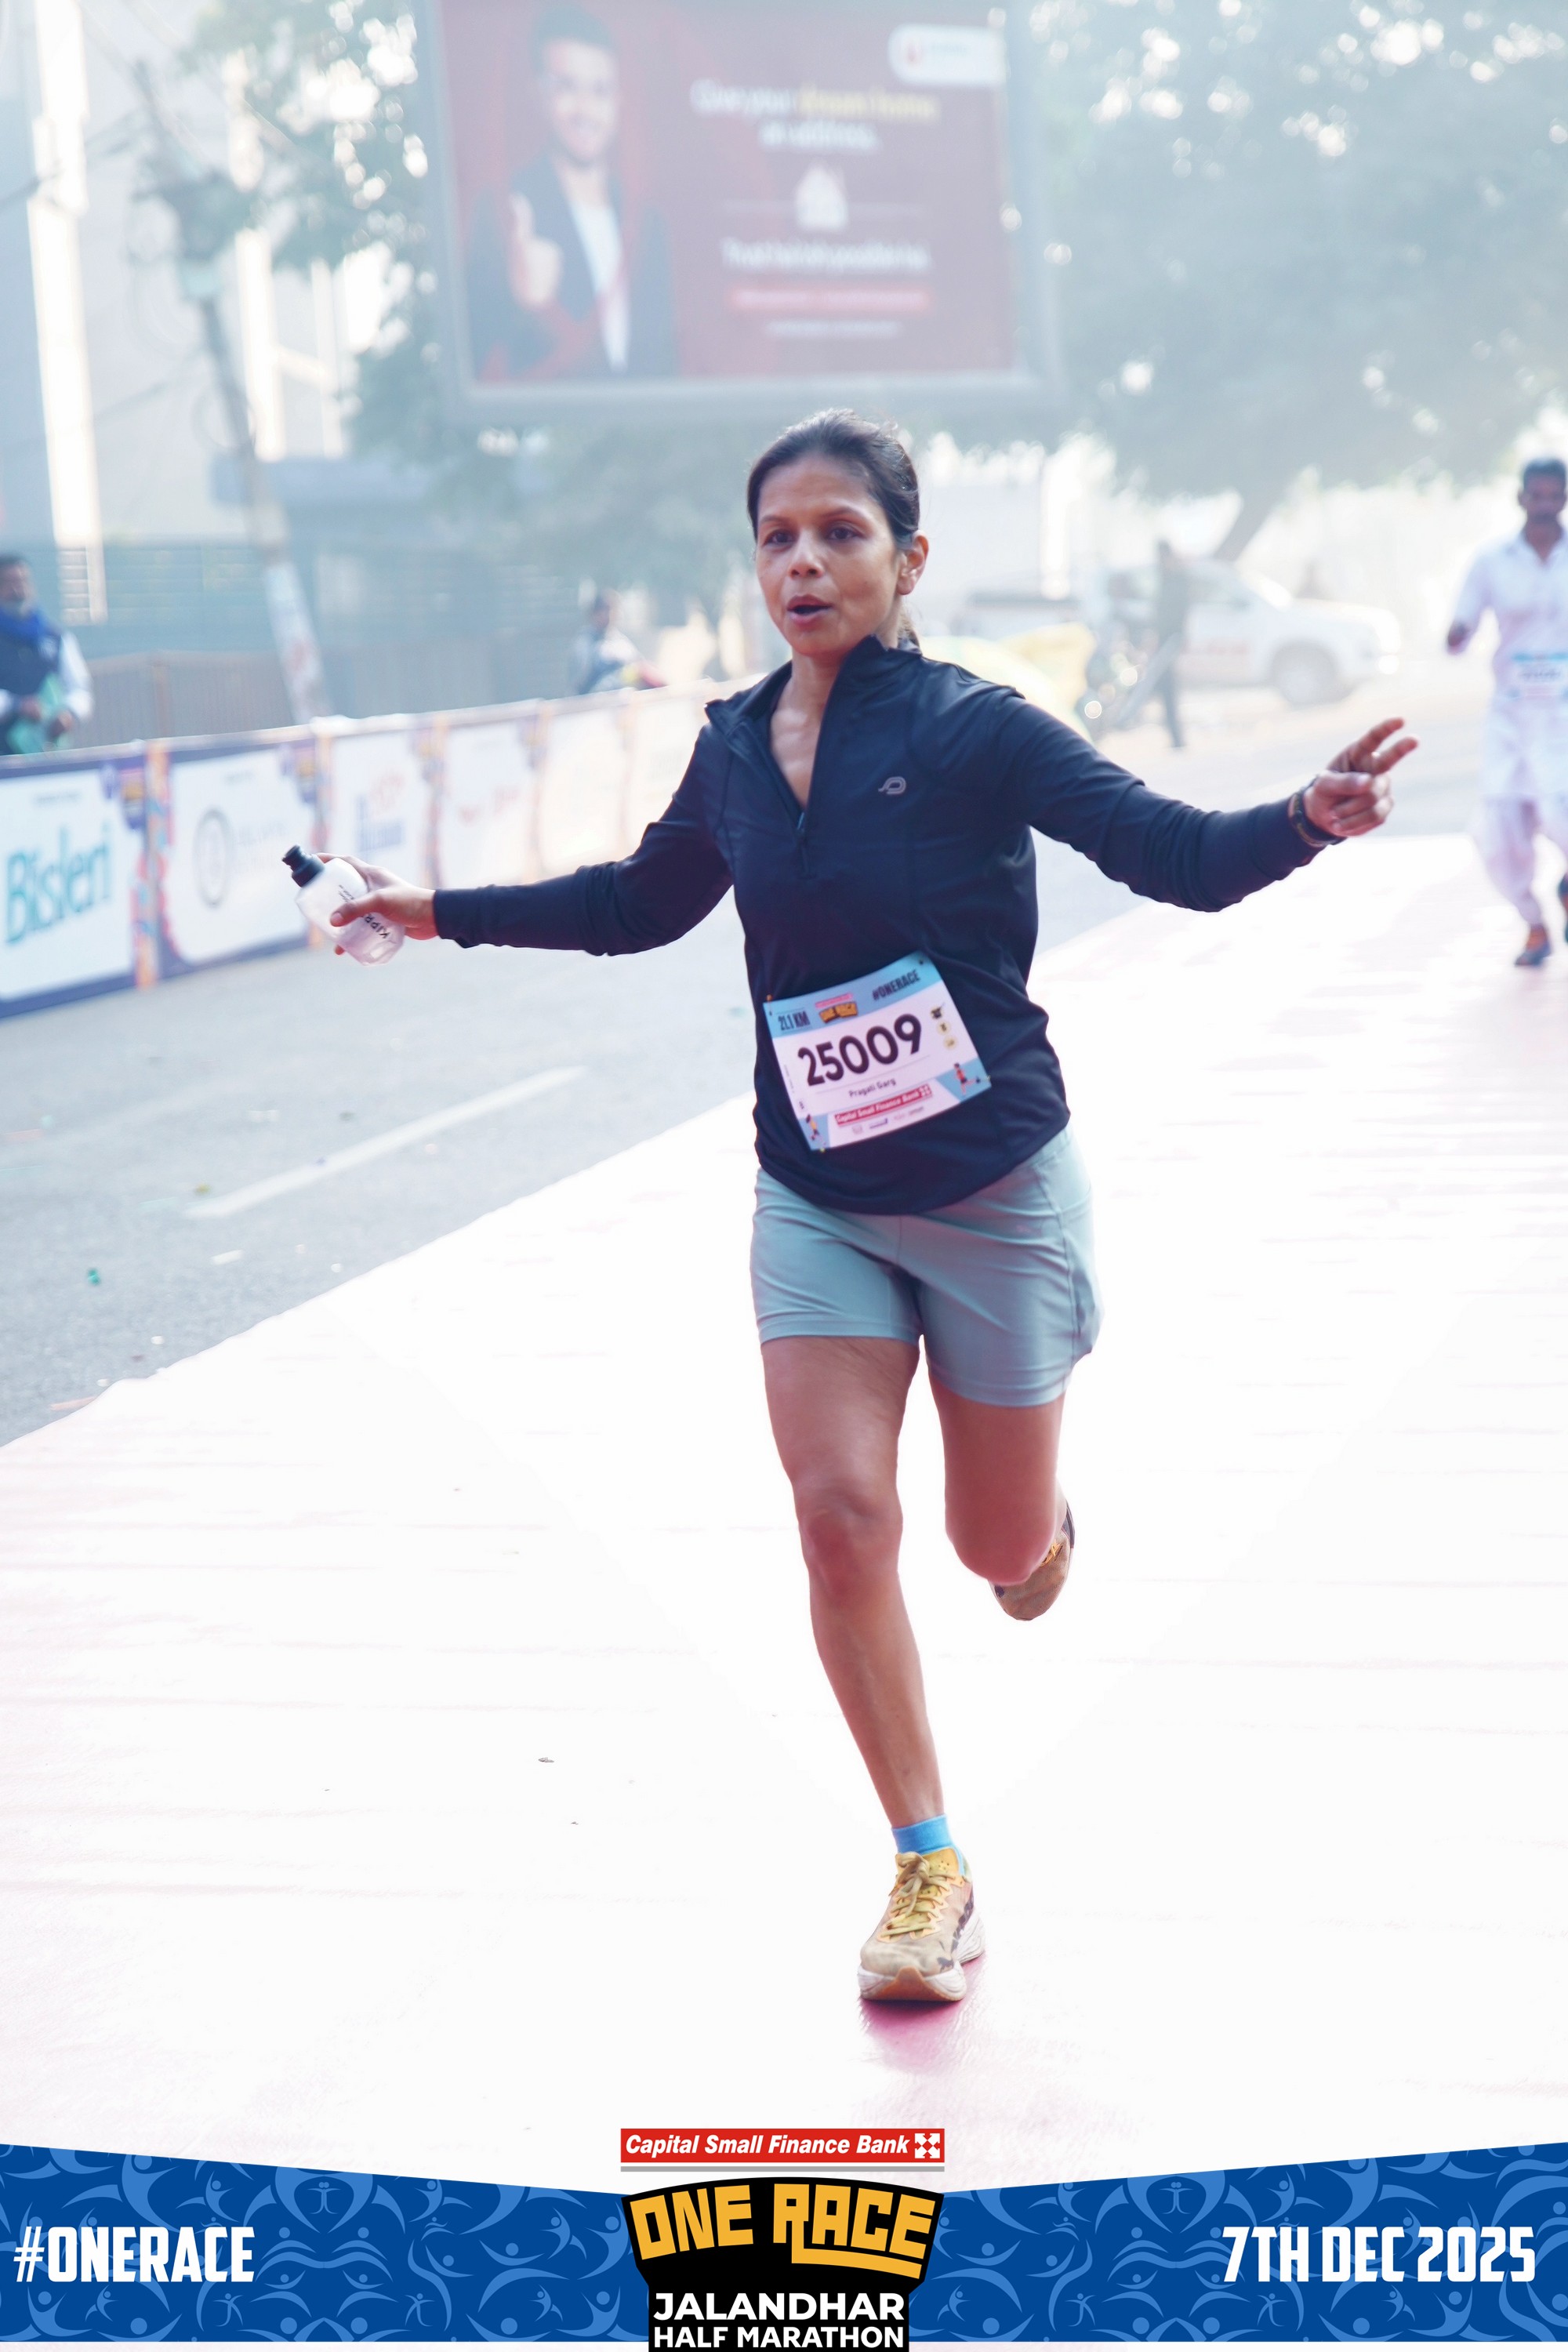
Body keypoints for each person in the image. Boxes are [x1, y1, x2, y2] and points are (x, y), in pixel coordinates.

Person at [329, 411, 1413, 2005]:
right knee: (840, 1515)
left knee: (992, 1549)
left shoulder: (978, 728)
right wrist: (433, 911)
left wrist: (1301, 821)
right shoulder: (730, 744)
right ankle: (928, 1863)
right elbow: (638, 905)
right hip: (817, 1194)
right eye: (776, 537)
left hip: (991, 1194)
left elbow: (1167, 853)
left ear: (909, 561)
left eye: (840, 532)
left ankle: (1038, 1527)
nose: (803, 562)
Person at [465, 5, 677, 383]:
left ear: (619, 100)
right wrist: (519, 301)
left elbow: (667, 364)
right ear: (538, 95)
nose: (585, 110)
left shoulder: (648, 224)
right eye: (566, 87)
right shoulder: (504, 211)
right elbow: (472, 354)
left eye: (600, 91)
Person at [1447, 456, 1568, 967]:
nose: (1544, 505)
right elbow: (1461, 625)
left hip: (1564, 715)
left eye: (1554, 496)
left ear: (1564, 499)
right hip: (1512, 716)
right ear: (1521, 498)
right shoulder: (1492, 561)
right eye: (1536, 496)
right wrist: (1458, 634)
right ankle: (1534, 923)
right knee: (1498, 832)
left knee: (1561, 812)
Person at [0, 555, 93, 756]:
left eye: (23, 581)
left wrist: (68, 714)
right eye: (10, 583)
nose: (18, 590)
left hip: (47, 754)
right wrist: (16, 706)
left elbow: (79, 689)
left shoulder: (56, 638)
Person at [567, 590, 661, 695]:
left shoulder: (620, 641)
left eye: (613, 609)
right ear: (595, 613)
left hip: (624, 700)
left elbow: (640, 666)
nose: (610, 615)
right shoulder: (585, 643)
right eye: (605, 610)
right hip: (596, 701)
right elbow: (579, 683)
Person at [1151, 539, 1192, 750]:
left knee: (1167, 688)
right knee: (1162, 688)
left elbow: (1180, 612)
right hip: (1163, 641)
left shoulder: (1177, 579)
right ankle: (1174, 736)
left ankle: (1177, 737)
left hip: (1171, 640)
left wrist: (1179, 638)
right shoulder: (1165, 577)